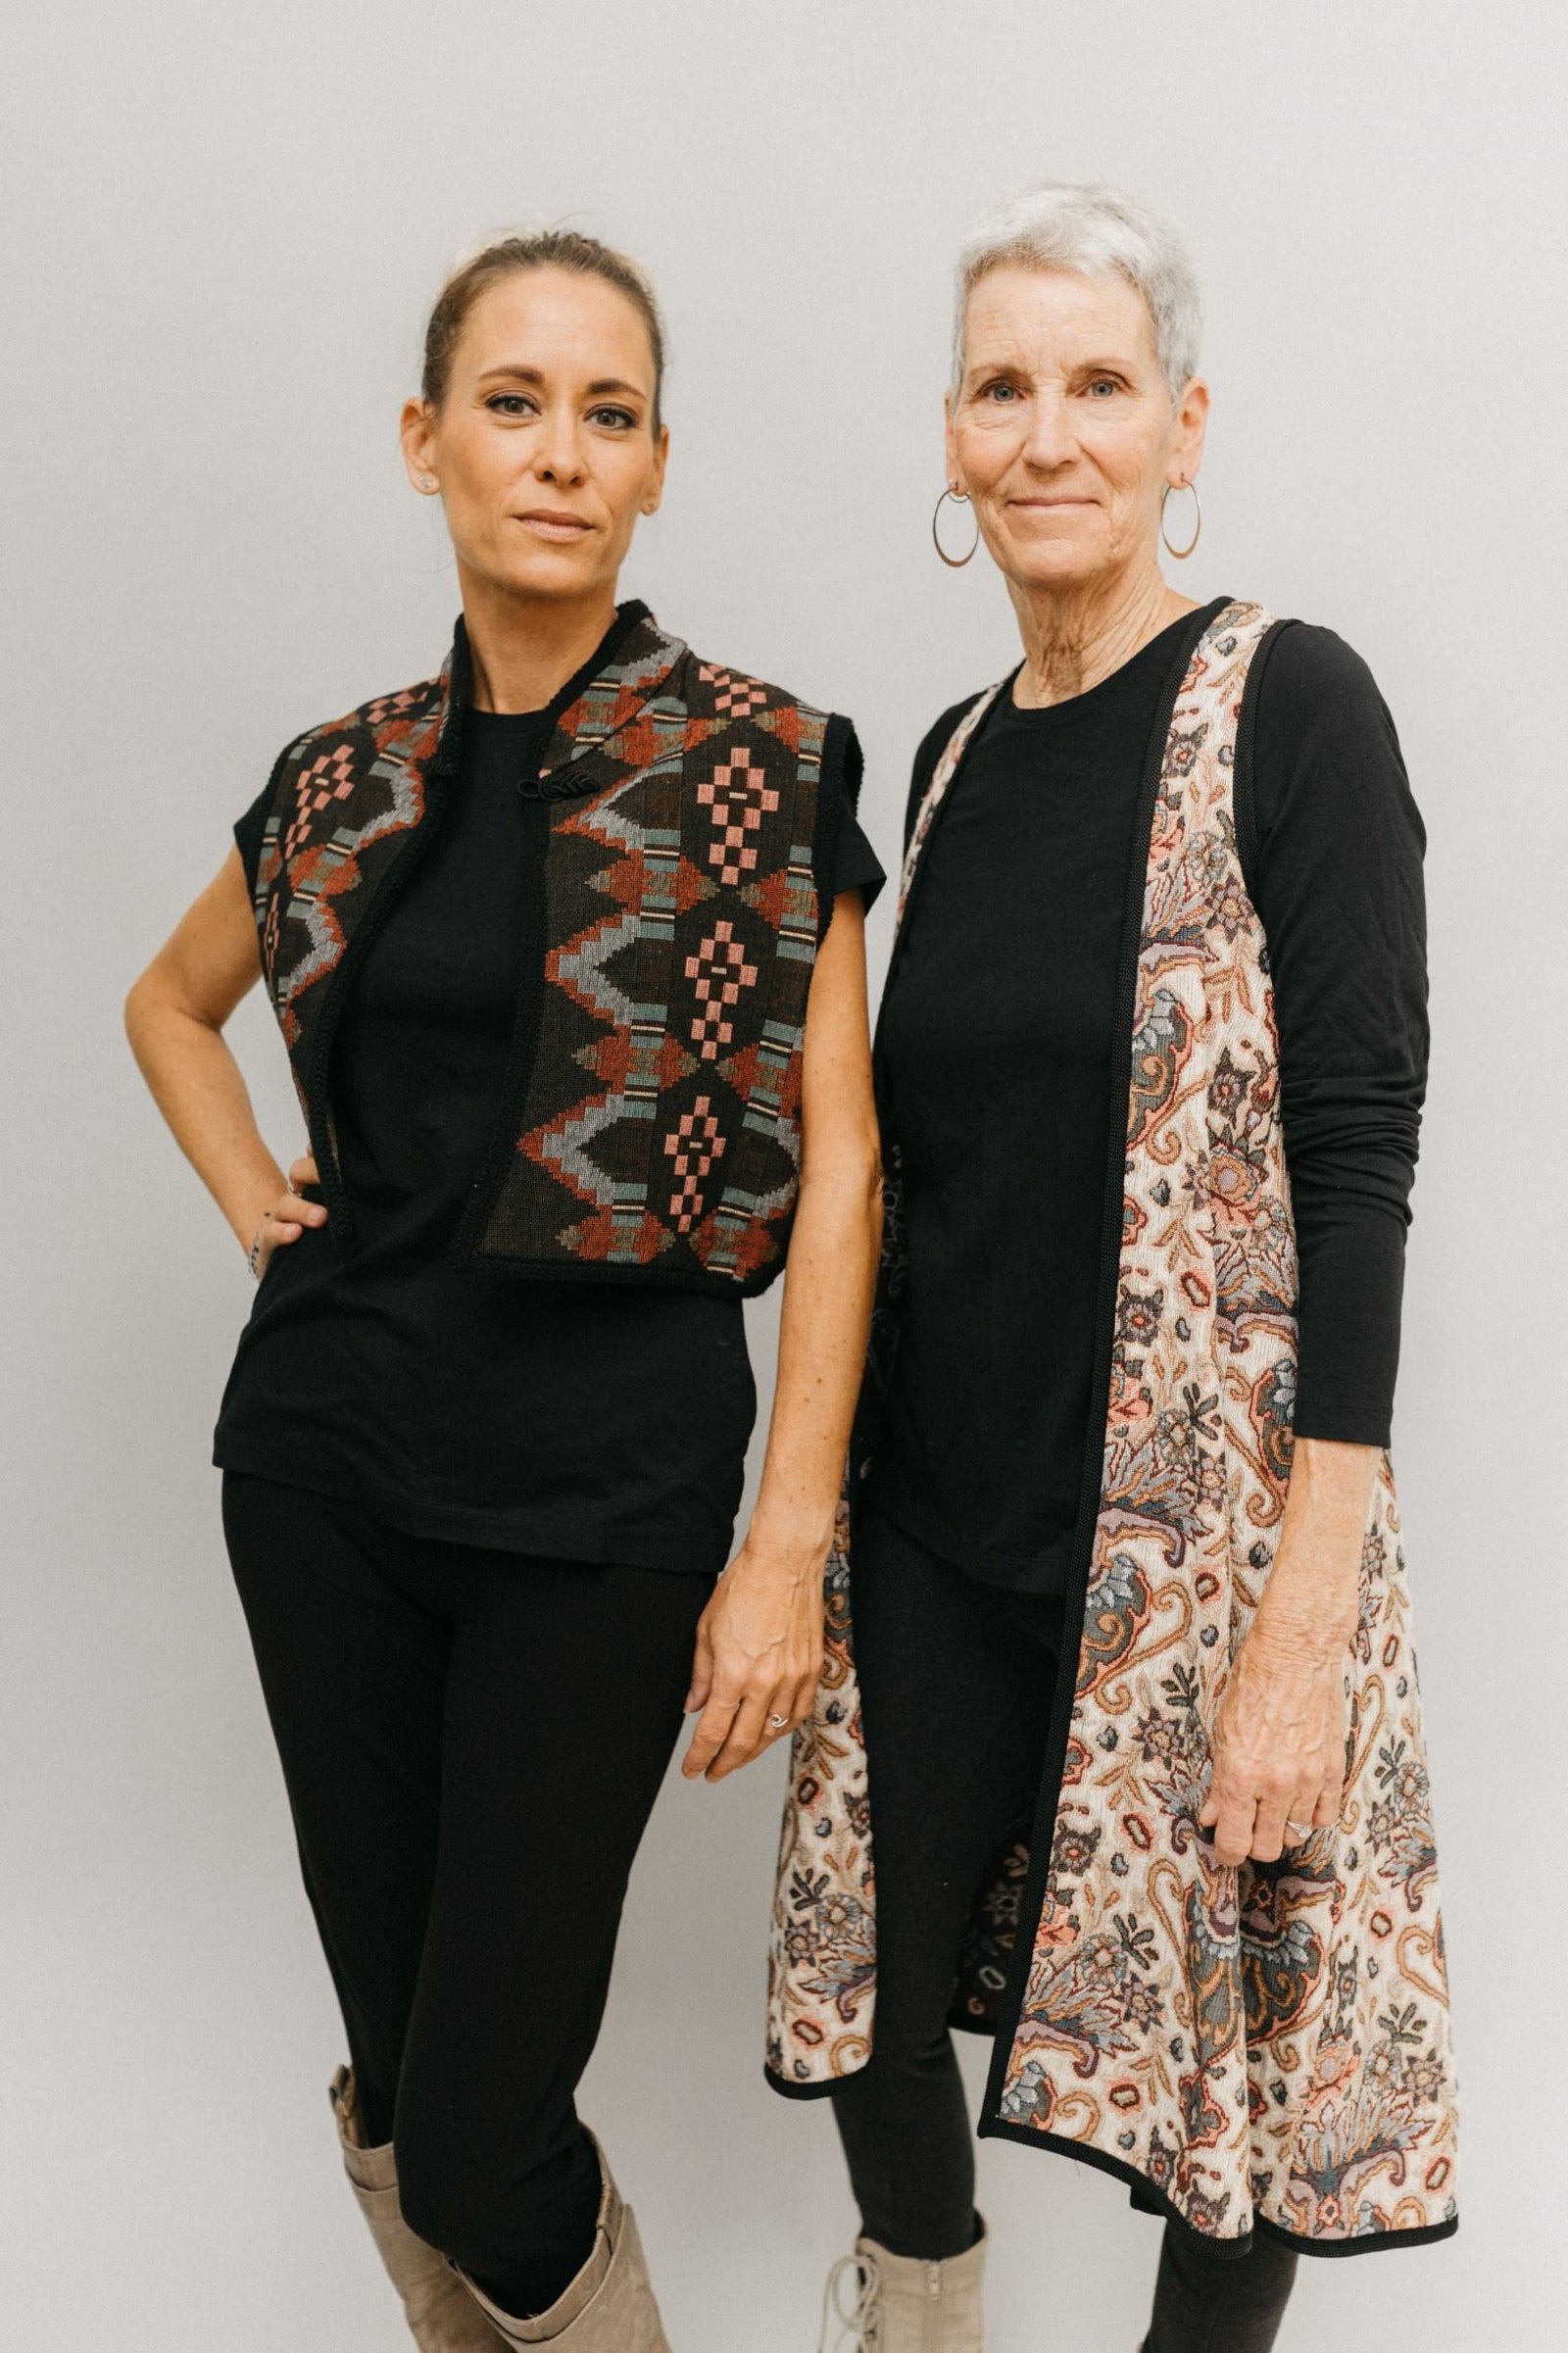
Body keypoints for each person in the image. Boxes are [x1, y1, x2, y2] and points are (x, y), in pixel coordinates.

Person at [125, 227, 885, 2353]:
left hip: (606, 1510)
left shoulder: (766, 764)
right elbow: (168, 1009)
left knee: (476, 2121)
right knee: (405, 2082)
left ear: (652, 469)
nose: (558, 454)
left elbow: (844, 1176)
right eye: (513, 402)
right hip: (325, 1479)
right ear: (424, 441)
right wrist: (255, 1199)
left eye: (607, 414)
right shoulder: (336, 780)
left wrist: (787, 1542)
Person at [766, 184, 1458, 2353]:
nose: (1045, 431)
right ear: (952, 444)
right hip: (945, 1530)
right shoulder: (953, 761)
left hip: (1209, 1543)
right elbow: (878, 1162)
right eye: (1000, 386)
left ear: (1180, 422)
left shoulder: (1290, 703)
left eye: (1094, 383)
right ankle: (923, 2311)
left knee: (1220, 2071)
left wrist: (1305, 1615)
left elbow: (1359, 1153)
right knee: (861, 1989)